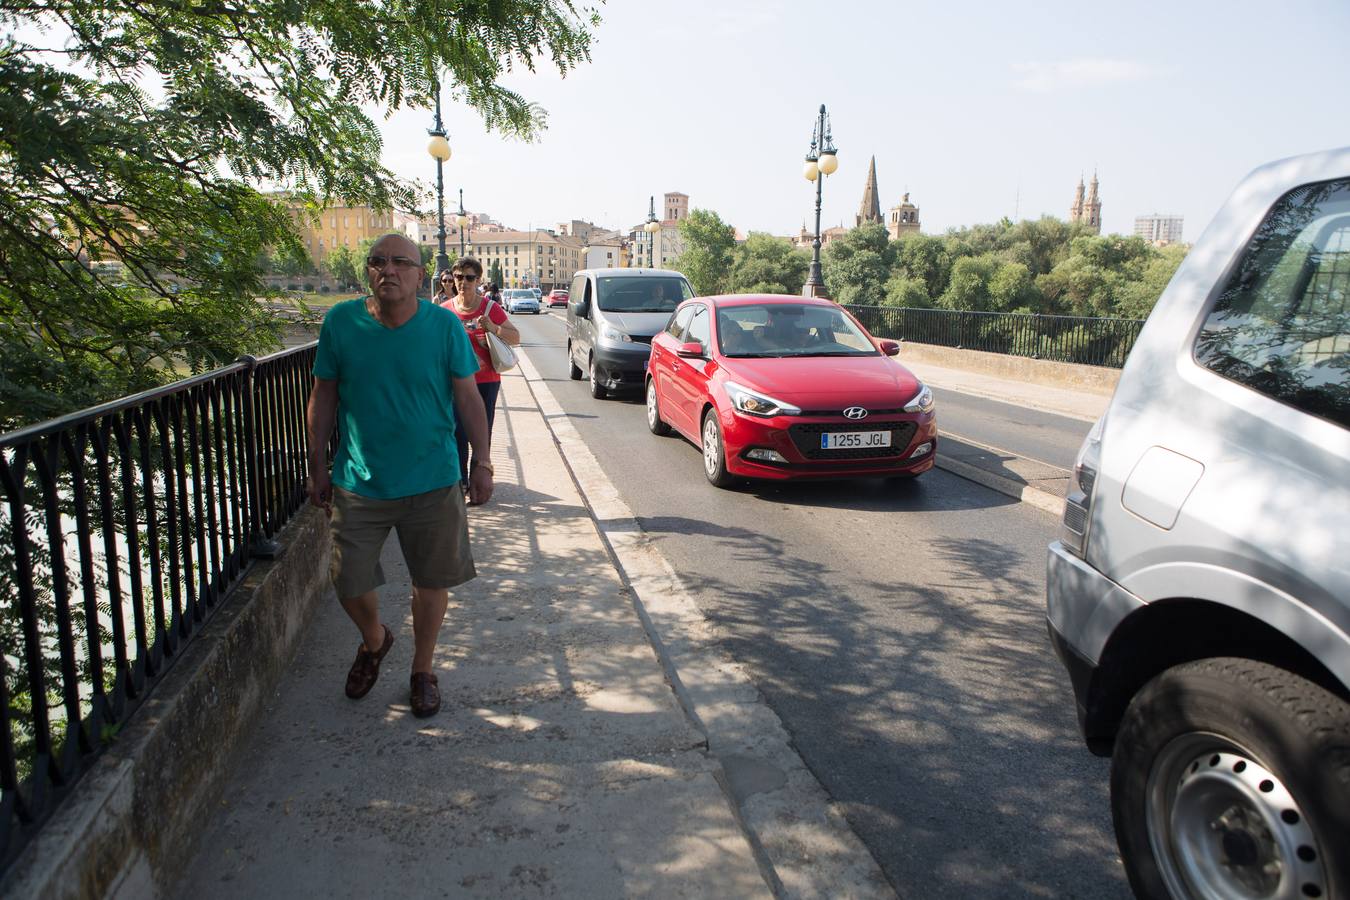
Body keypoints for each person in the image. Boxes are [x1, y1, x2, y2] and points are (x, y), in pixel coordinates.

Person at [307, 233, 493, 719]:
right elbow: (323, 396)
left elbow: (469, 399)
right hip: (359, 479)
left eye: (399, 262)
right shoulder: (341, 323)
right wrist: (314, 466)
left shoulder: (443, 327)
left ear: (420, 274)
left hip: (432, 478)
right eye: (377, 262)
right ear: (368, 271)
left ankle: (423, 669)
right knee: (347, 579)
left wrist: (482, 460)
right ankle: (375, 639)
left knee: (432, 581)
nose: (387, 270)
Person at [440, 257, 519, 498]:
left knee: (481, 433)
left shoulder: (488, 308)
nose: (464, 282)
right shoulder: (444, 311)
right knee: (457, 433)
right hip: (454, 383)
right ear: (453, 279)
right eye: (459, 277)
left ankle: (478, 482)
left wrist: (492, 328)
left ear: (478, 280)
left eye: (470, 277)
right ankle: (461, 482)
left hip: (486, 382)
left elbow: (515, 337)